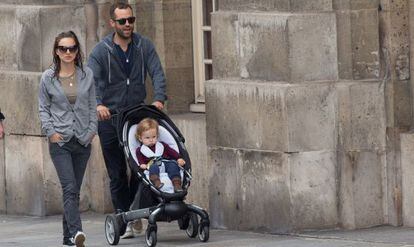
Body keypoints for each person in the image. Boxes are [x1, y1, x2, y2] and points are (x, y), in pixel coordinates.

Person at [87, 2, 167, 239]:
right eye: (122, 21)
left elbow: (157, 72)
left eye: (131, 20)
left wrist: (159, 99)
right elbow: (91, 81)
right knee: (117, 173)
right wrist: (99, 104)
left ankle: (134, 211)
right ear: (113, 23)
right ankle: (123, 216)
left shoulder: (143, 45)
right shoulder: (101, 51)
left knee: (140, 167)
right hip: (110, 117)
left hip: (136, 116)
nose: (128, 25)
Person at [38, 31, 97, 247]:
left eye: (72, 48)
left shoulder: (87, 74)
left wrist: (91, 131)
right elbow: (43, 109)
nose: (68, 52)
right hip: (60, 141)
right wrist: (51, 133)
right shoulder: (47, 77)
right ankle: (77, 232)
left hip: (83, 140)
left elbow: (92, 105)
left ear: (77, 51)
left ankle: (67, 238)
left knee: (73, 191)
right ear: (56, 51)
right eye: (63, 48)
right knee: (70, 188)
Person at [135, 118, 185, 192]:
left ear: (157, 136)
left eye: (154, 137)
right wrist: (142, 164)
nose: (151, 140)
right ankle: (156, 182)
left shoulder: (162, 145)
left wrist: (178, 158)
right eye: (147, 138)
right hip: (152, 166)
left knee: (173, 165)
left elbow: (172, 152)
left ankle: (177, 184)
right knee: (153, 167)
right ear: (140, 138)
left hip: (165, 163)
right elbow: (140, 160)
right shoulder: (140, 150)